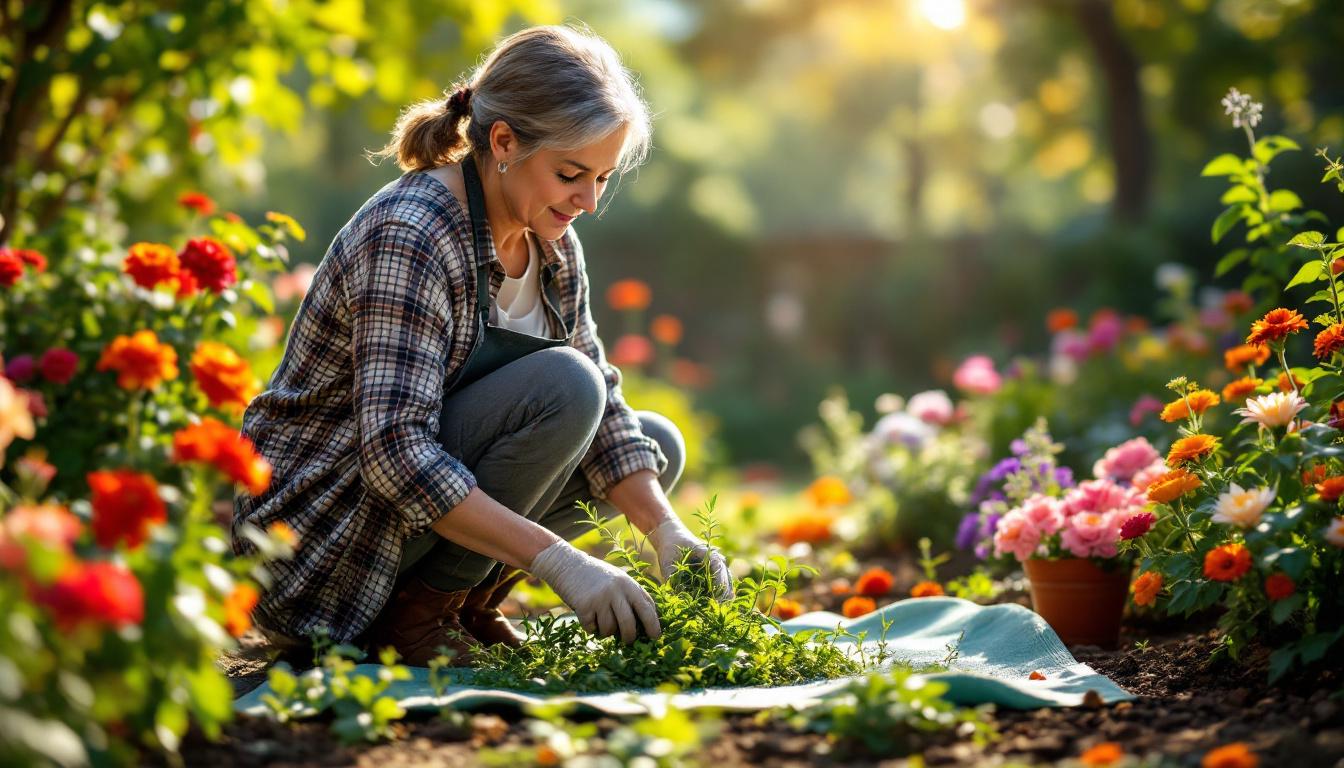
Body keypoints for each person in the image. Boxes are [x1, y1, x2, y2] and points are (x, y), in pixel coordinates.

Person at [233, 25, 731, 666]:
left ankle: (457, 604)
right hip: (319, 548)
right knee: (565, 386)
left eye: (603, 178)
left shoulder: (551, 241)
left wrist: (667, 530)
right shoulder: (412, 235)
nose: (589, 200)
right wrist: (563, 564)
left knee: (651, 446)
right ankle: (413, 619)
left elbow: (606, 404)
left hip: (405, 527)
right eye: (571, 174)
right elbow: (394, 454)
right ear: (503, 142)